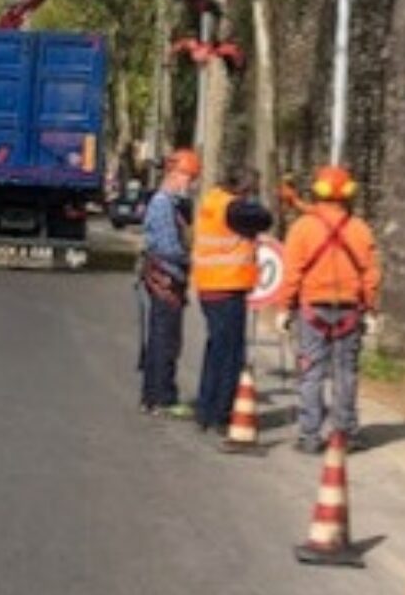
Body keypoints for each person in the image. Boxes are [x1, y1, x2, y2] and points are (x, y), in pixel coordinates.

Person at [276, 163, 381, 454]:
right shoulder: (360, 230)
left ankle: (310, 436)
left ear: (318, 192)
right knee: (346, 372)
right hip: (350, 310)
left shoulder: (303, 228)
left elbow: (292, 271)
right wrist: (371, 310)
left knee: (311, 372)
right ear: (348, 193)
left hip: (312, 311)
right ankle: (346, 434)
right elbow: (370, 274)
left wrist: (284, 308)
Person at [189, 164, 273, 432]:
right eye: (251, 190)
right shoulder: (234, 208)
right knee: (230, 355)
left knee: (215, 350)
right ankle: (221, 413)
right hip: (227, 287)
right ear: (243, 188)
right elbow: (265, 219)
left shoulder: (211, 201)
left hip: (209, 286)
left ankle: (205, 408)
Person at [136, 147, 201, 416]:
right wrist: (193, 257)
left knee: (162, 338)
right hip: (165, 278)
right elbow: (167, 248)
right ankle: (161, 396)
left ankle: (154, 395)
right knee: (165, 340)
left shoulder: (169, 204)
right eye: (190, 178)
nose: (191, 185)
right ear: (176, 174)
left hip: (167, 278)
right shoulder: (163, 204)